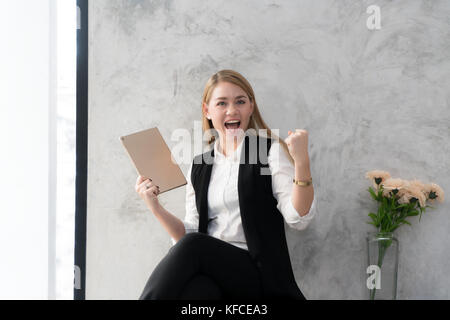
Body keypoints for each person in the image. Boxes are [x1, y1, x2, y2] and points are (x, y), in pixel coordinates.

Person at [136, 69, 316, 300]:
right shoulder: (199, 166)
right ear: (207, 110)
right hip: (212, 273)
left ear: (251, 106)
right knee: (197, 291)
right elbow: (188, 233)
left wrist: (302, 163)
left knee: (195, 246)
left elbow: (298, 218)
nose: (232, 110)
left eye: (240, 101)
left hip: (258, 275)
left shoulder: (269, 152)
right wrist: (155, 207)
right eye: (222, 103)